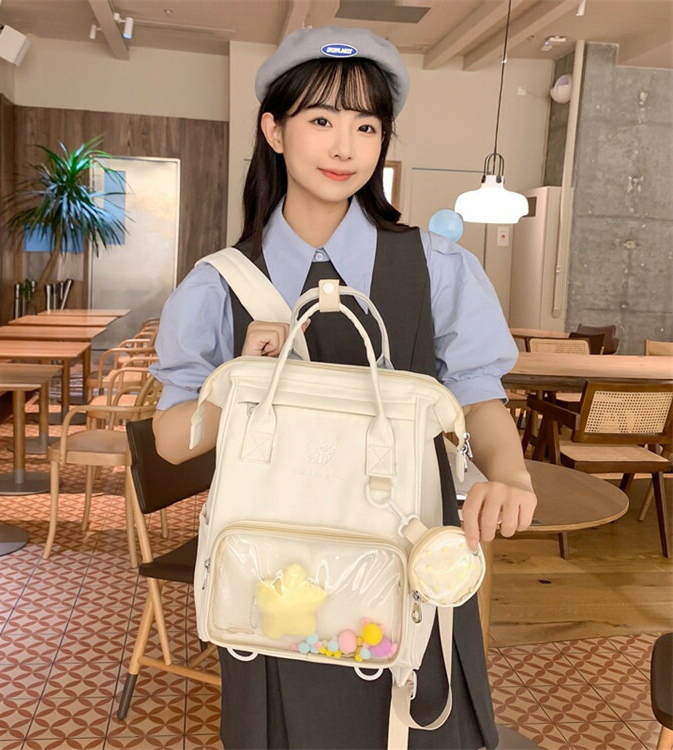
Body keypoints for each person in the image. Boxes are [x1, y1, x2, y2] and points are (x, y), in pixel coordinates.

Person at [151, 25, 537, 750]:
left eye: (366, 126)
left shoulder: (438, 266)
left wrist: (509, 473)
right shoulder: (217, 286)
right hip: (276, 575)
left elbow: (478, 395)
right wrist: (237, 383)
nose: (344, 147)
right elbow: (172, 443)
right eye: (321, 120)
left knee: (416, 721)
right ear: (274, 130)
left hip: (408, 555)